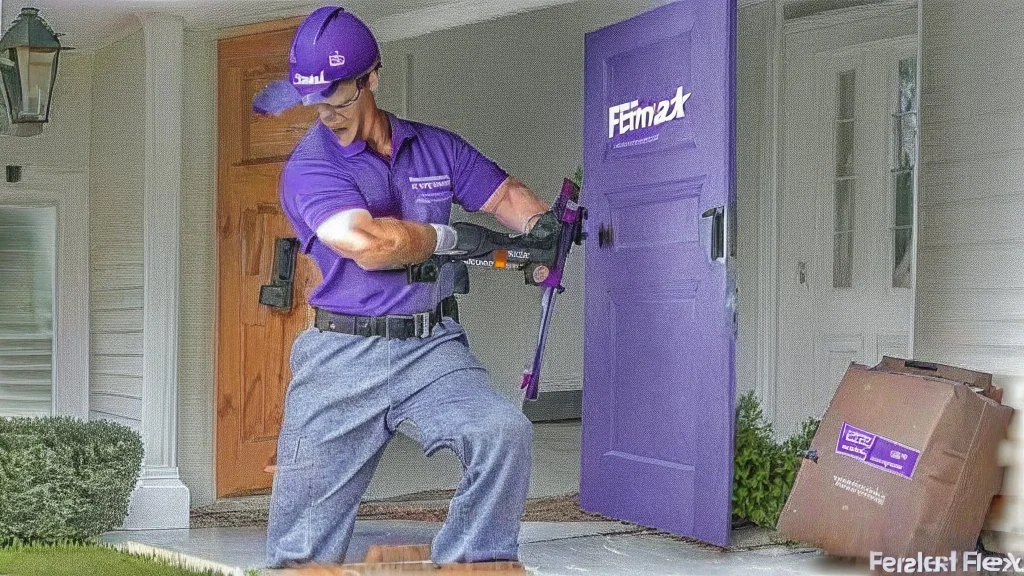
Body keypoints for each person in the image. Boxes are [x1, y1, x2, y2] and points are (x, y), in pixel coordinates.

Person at [256, 5, 557, 569]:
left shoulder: (435, 147)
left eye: (339, 97)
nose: (327, 112)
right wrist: (449, 237)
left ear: (371, 78)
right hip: (340, 358)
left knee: (503, 434)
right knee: (301, 548)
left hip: (432, 349)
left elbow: (504, 195)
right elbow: (371, 246)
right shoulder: (309, 167)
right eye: (315, 100)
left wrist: (544, 228)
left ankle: (473, 562)